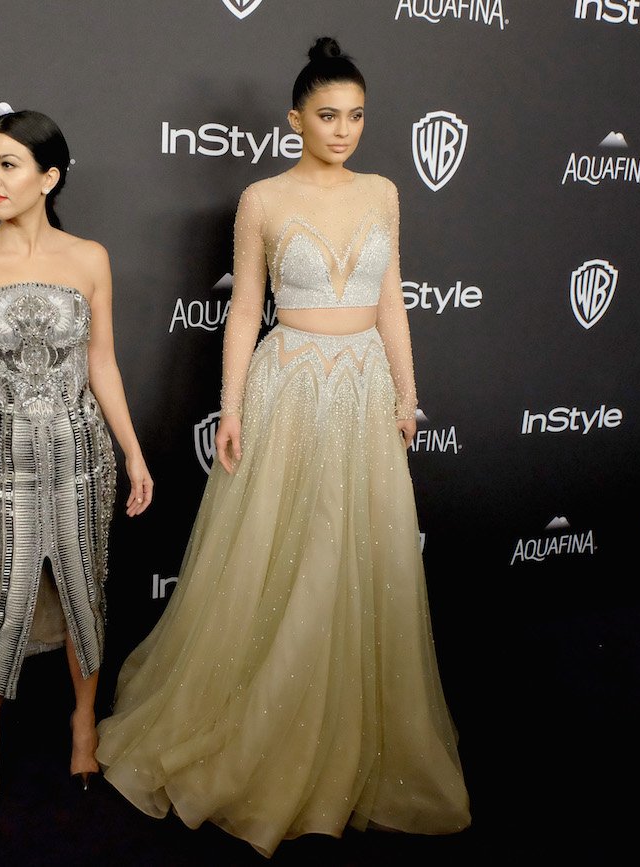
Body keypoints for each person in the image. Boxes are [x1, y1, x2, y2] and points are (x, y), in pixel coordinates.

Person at [95, 39, 470, 855]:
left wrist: (408, 394)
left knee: (358, 555)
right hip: (289, 383)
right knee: (282, 552)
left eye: (357, 116)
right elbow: (243, 310)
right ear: (295, 118)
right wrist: (230, 407)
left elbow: (393, 301)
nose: (344, 130)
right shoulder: (262, 198)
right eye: (328, 116)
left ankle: (347, 728)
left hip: (365, 386)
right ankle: (257, 728)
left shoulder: (384, 191)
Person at [0, 110, 153, 814]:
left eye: (8, 165)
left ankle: (83, 722)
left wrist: (133, 449)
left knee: (88, 593)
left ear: (48, 177)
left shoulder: (89, 257)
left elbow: (104, 365)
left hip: (83, 455)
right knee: (7, 600)